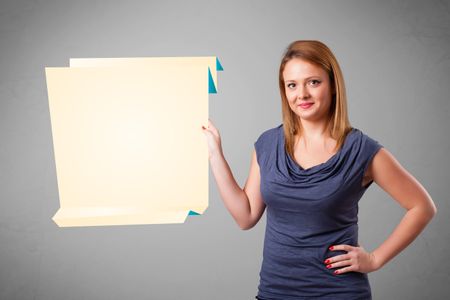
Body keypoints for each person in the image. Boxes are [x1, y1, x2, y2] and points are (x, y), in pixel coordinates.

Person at [201, 40, 437, 299]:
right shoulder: (267, 144)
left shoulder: (361, 150)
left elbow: (422, 207)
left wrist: (375, 259)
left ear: (333, 85)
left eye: (313, 82)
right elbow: (245, 216)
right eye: (292, 85)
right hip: (275, 291)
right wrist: (215, 153)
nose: (301, 94)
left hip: (338, 292)